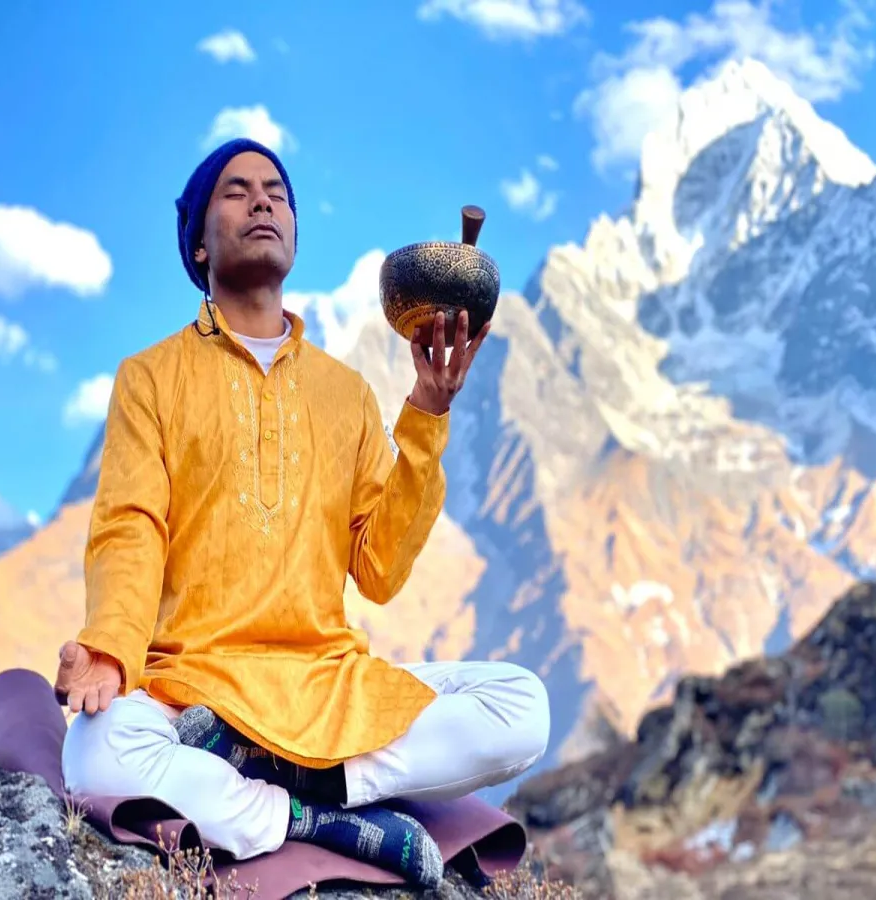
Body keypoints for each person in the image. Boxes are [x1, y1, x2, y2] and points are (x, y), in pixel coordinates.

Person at [54, 137, 551, 889]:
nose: (262, 200)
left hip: (324, 681)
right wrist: (111, 648)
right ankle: (312, 818)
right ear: (198, 242)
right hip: (195, 690)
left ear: (292, 232)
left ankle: (287, 781)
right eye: (236, 190)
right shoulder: (150, 378)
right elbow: (131, 526)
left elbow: (378, 568)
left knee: (522, 707)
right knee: (92, 751)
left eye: (277, 193)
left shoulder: (344, 393)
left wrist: (427, 413)